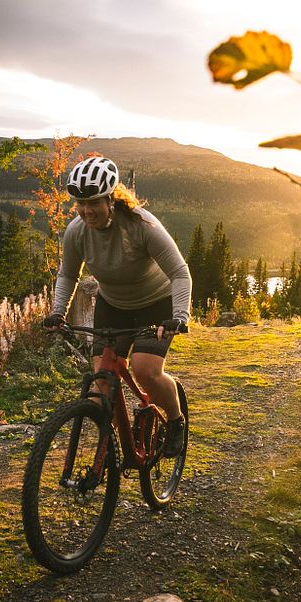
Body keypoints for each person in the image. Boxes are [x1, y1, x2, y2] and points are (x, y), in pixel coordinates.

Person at [43, 156, 191, 457]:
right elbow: (68, 274)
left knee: (145, 370)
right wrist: (58, 311)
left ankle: (175, 421)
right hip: (112, 304)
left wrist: (180, 316)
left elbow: (179, 272)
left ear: (111, 199)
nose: (86, 210)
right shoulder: (77, 231)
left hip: (156, 304)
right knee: (100, 391)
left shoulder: (143, 225)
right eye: (80, 203)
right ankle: (108, 459)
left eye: (94, 202)